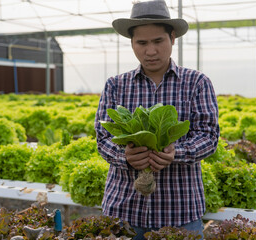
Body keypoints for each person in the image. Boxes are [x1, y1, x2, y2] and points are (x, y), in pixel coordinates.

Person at [94, 0, 220, 239]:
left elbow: (209, 137)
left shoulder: (196, 83)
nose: (150, 51)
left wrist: (176, 152)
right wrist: (125, 156)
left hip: (179, 214)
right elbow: (103, 138)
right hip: (123, 212)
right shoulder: (116, 85)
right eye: (141, 43)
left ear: (172, 38)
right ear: (132, 43)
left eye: (158, 41)